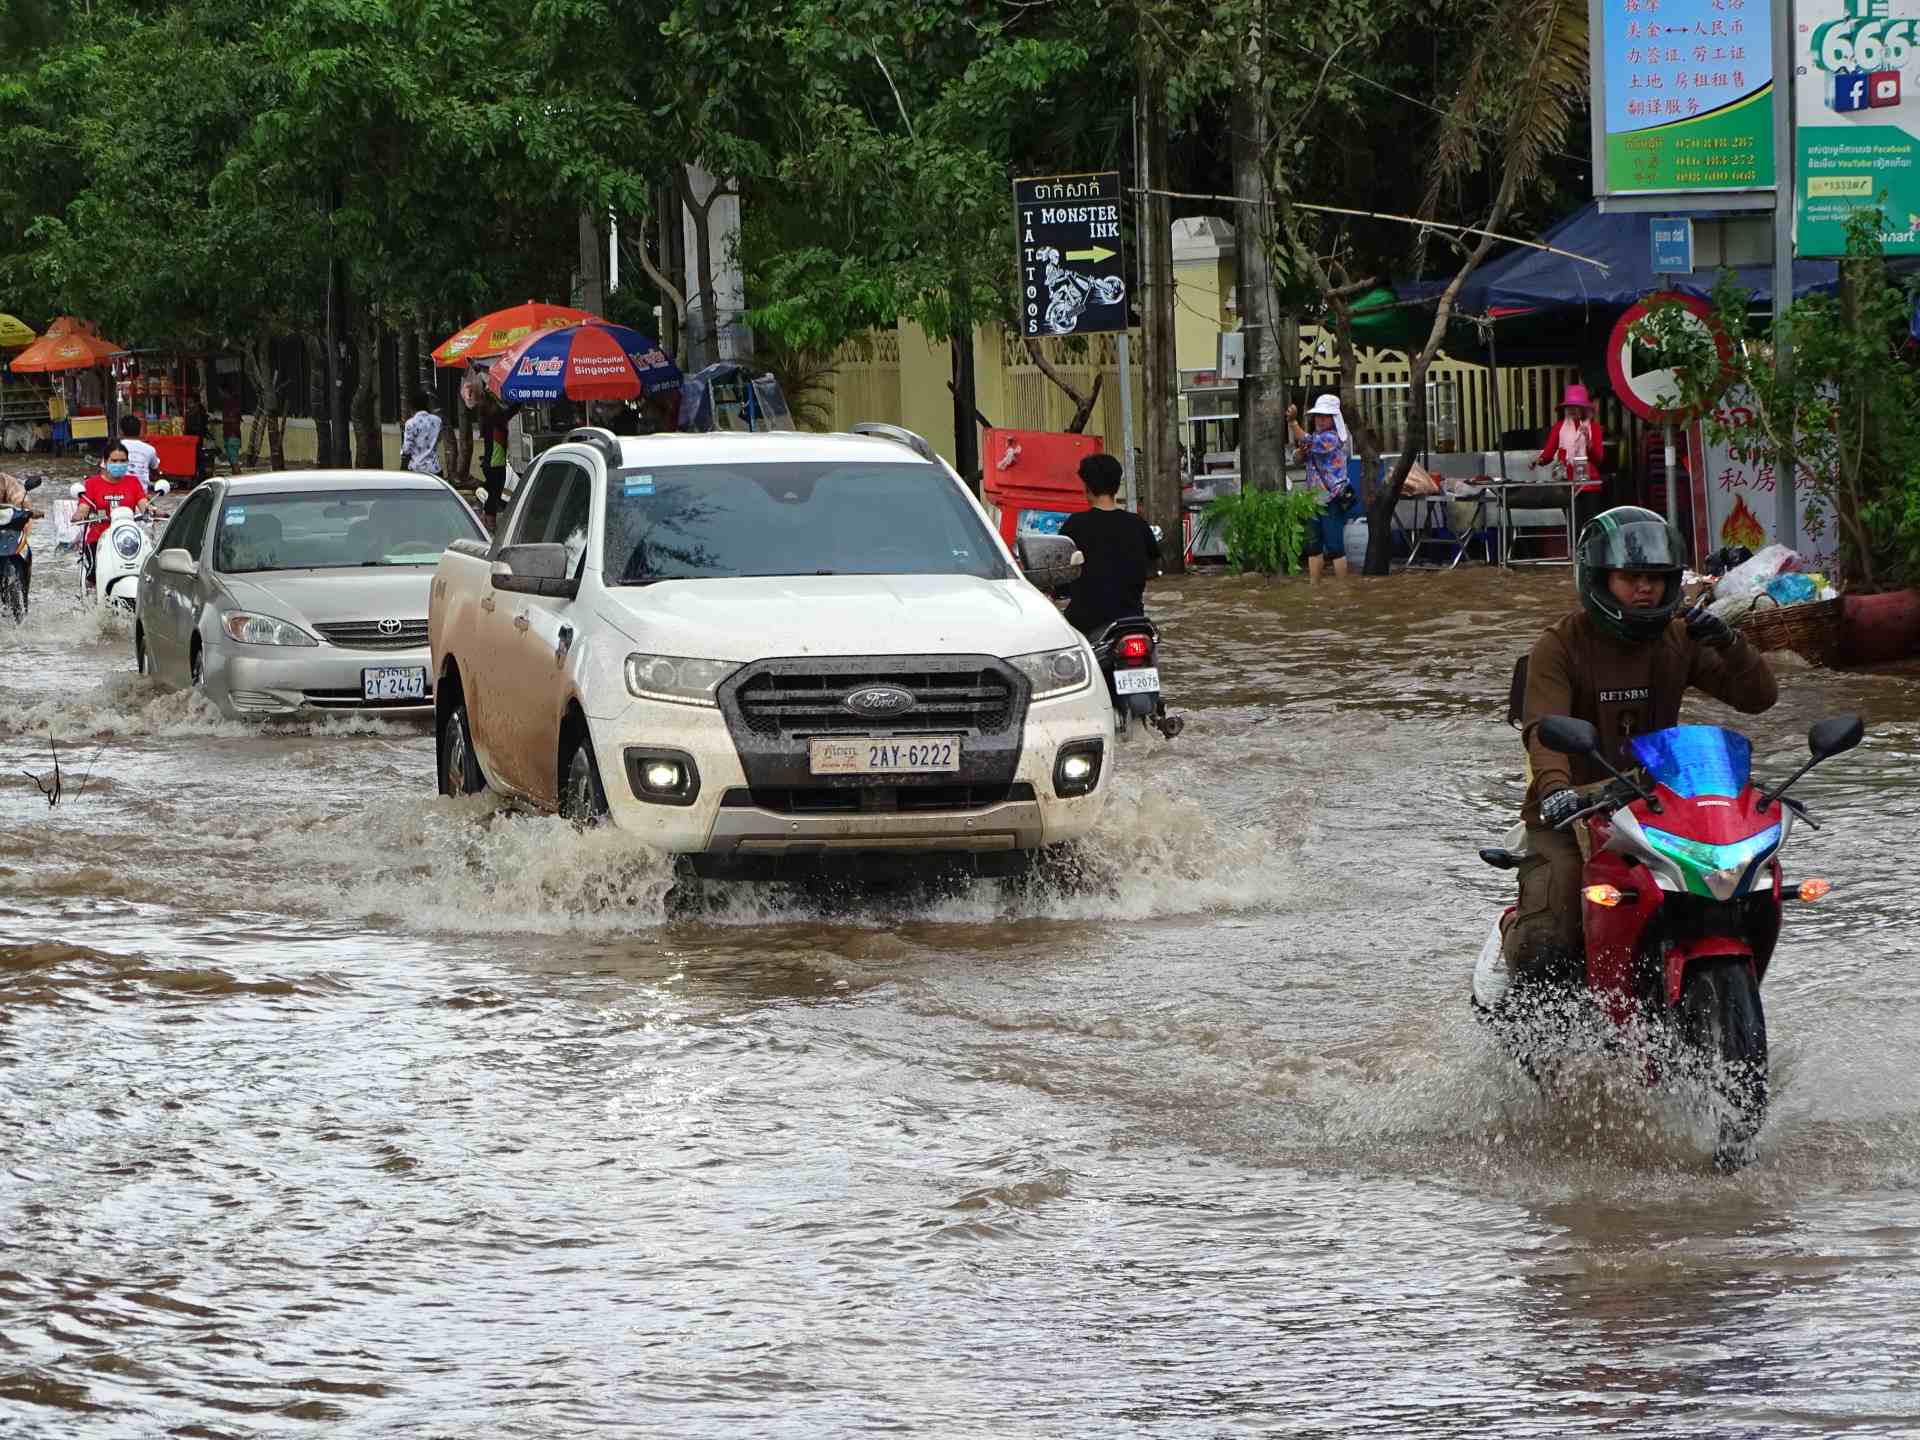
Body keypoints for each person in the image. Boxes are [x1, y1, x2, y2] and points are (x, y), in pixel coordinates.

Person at [1503, 506, 1778, 991]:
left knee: (1733, 889)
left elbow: (1758, 699)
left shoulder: (1679, 638)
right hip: (1572, 810)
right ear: (1598, 578)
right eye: (1631, 576)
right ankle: (1512, 957)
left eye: (1656, 577)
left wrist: (1732, 643)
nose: (1646, 588)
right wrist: (1555, 792)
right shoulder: (1559, 646)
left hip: (1656, 806)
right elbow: (1544, 733)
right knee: (1551, 934)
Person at [1058, 453, 1158, 637]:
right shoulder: (1138, 524)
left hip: (1085, 623)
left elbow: (1061, 572)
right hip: (1132, 621)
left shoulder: (1074, 525)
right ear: (1117, 486)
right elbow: (1153, 569)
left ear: (1087, 487)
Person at [1290, 394, 1356, 582]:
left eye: (1324, 416)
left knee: (1335, 548)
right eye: (1318, 415)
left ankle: (1343, 588)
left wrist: (1293, 423)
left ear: (1333, 418)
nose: (1319, 419)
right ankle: (1314, 587)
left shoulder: (1333, 438)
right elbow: (1297, 457)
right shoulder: (1316, 437)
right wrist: (1299, 453)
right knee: (1313, 547)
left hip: (1331, 499)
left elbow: (1309, 442)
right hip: (1313, 500)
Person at [71, 443, 151, 594]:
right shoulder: (92, 483)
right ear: (105, 462)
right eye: (114, 461)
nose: (118, 464)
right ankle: (92, 601)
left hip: (126, 538)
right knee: (93, 573)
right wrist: (79, 515)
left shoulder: (133, 482)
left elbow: (144, 504)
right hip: (99, 539)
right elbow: (83, 506)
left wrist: (153, 511)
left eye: (123, 461)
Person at [1533, 383, 1604, 483]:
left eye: (1576, 406)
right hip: (1566, 481)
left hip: (1589, 482)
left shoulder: (1594, 427)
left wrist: (1588, 440)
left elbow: (1598, 459)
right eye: (1569, 406)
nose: (1572, 409)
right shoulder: (1559, 427)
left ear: (1584, 408)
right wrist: (1537, 461)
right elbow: (1548, 452)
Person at [0, 469, 33, 605]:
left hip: (6, 534)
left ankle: (24, 591)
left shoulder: (4, 480)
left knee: (25, 551)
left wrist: (25, 505)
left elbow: (20, 496)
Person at [401, 389, 443, 475]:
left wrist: (401, 451)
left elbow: (407, 449)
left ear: (411, 405)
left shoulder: (410, 423)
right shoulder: (437, 421)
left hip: (417, 470)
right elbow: (438, 440)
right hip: (435, 470)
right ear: (427, 404)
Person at [117, 415, 162, 493]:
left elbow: (104, 472)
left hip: (118, 494)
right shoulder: (150, 449)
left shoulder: (113, 447)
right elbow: (155, 474)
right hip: (142, 495)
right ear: (140, 430)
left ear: (121, 431)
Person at [183, 394, 211, 483]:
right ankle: (198, 476)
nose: (188, 404)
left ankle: (199, 477)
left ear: (195, 402)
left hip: (195, 438)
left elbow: (197, 427)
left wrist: (188, 431)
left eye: (190, 402)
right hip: (194, 438)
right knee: (197, 458)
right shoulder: (196, 411)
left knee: (198, 457)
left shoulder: (197, 412)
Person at [220, 378, 245, 472]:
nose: (220, 394)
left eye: (221, 392)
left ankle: (239, 479)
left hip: (232, 436)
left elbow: (234, 418)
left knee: (234, 462)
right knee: (232, 461)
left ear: (225, 391)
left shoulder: (231, 403)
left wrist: (223, 420)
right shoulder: (230, 403)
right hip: (230, 435)